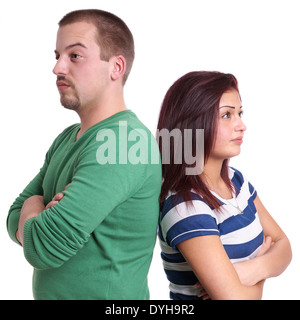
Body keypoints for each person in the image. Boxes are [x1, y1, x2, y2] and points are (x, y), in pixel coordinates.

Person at [7, 9, 161, 300]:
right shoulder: (67, 138)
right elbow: (12, 217)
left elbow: (42, 246)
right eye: (57, 56)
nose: (58, 68)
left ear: (116, 67)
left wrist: (33, 207)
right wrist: (33, 212)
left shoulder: (123, 143)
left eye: (75, 56)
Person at [157, 71, 292, 300]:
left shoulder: (236, 181)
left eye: (240, 112)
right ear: (193, 124)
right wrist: (266, 267)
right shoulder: (184, 204)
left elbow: (284, 246)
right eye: (227, 115)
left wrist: (250, 270)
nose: (242, 125)